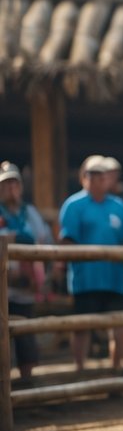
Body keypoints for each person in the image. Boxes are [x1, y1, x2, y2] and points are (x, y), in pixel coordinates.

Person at [58, 155, 123, 373]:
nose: (98, 179)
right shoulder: (74, 205)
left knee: (121, 325)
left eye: (102, 175)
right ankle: (80, 371)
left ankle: (116, 370)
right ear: (84, 177)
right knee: (83, 326)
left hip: (115, 279)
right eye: (92, 175)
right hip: (86, 279)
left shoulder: (119, 207)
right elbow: (67, 240)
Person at [1, 161, 54, 385]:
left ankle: (26, 384)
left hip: (27, 287)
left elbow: (45, 241)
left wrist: (45, 274)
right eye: (6, 183)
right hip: (3, 286)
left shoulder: (30, 212)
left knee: (26, 336)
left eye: (15, 182)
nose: (11, 187)